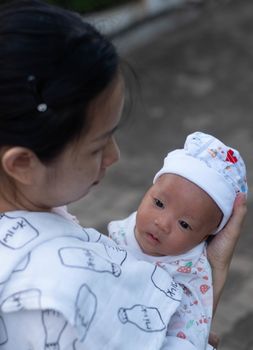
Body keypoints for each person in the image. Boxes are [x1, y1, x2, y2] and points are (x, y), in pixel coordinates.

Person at [0, 1, 247, 349]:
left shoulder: (33, 224)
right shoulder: (63, 288)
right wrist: (213, 278)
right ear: (22, 163)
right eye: (98, 145)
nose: (115, 156)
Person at [108, 131, 248, 350]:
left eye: (184, 224)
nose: (162, 223)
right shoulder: (126, 228)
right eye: (159, 203)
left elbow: (186, 336)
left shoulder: (188, 278)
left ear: (206, 235)